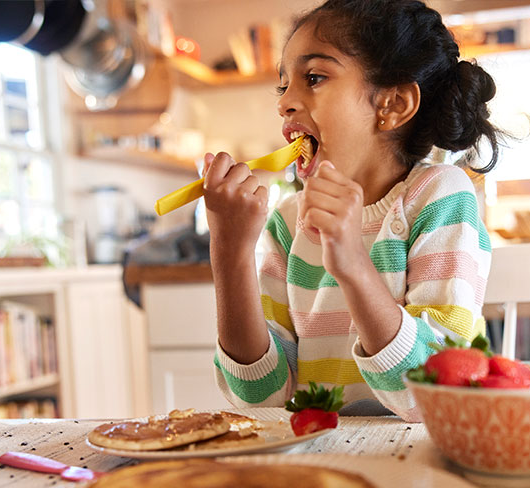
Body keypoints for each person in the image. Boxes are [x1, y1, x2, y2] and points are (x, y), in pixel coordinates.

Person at [203, 0, 502, 421]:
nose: (285, 102)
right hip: (322, 457)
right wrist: (229, 252)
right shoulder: (289, 221)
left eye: (313, 77)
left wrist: (353, 263)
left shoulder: (440, 197)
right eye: (283, 85)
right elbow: (260, 399)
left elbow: (433, 395)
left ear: (393, 105)